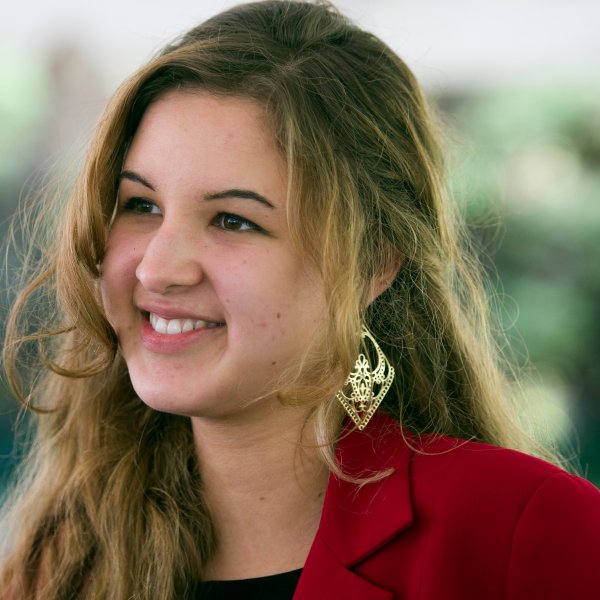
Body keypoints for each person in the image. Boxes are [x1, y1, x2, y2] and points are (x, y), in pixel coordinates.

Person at [1, 1, 599, 598]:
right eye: (142, 206)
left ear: (373, 263)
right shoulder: (54, 567)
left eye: (233, 220)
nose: (157, 267)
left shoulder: (524, 532)